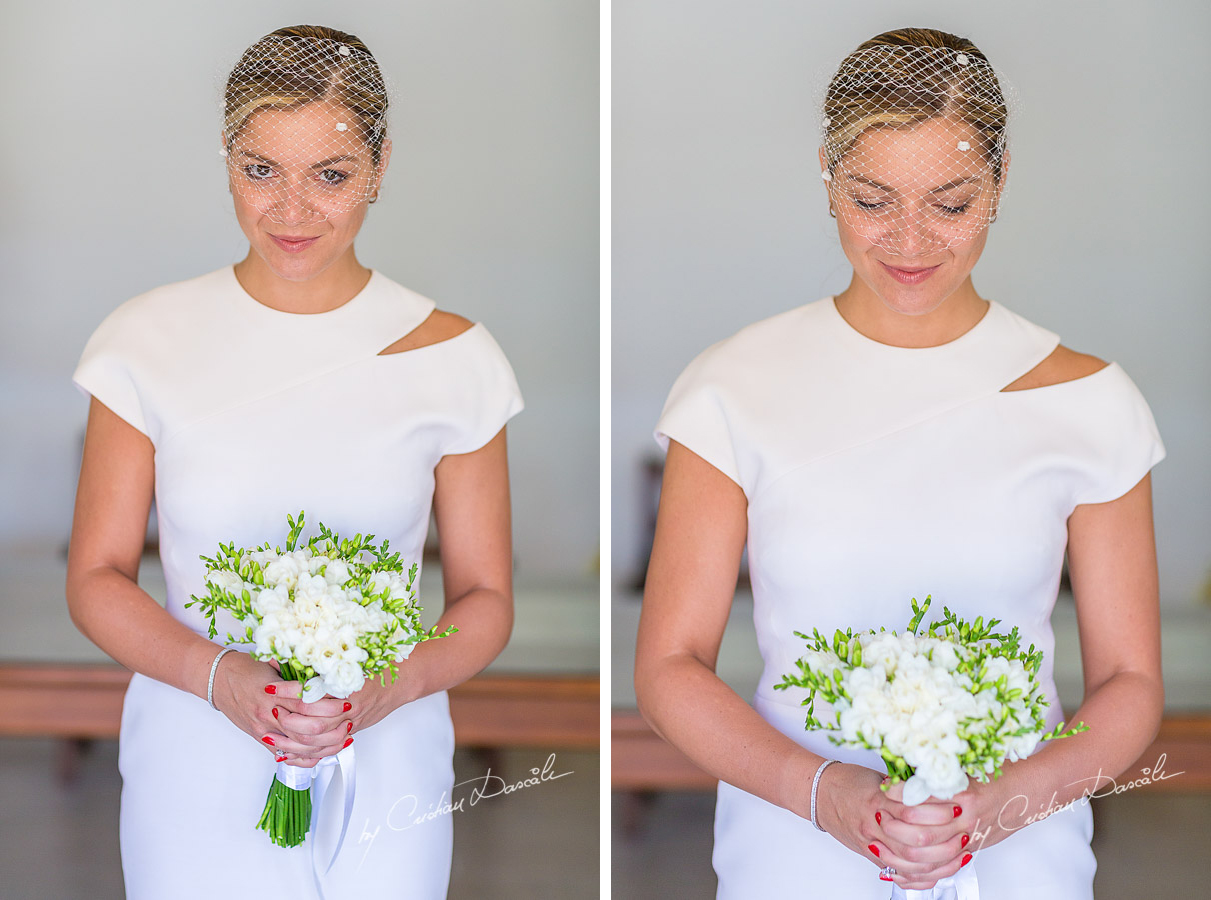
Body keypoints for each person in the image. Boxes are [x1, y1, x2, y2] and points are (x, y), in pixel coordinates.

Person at [635, 27, 1164, 899]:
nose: (909, 241)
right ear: (825, 176)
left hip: (1020, 839)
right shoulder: (733, 385)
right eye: (871, 199)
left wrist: (1008, 801)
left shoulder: (1091, 401)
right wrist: (823, 792)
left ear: (998, 183)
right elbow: (666, 668)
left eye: (949, 204)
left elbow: (1129, 681)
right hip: (795, 831)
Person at [65, 25, 522, 899]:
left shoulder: (457, 359)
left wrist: (386, 692)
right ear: (227, 160)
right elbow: (95, 575)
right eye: (260, 169)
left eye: (332, 175)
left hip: (386, 753)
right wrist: (222, 678)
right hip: (195, 739)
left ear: (382, 165)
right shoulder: (145, 342)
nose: (292, 210)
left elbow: (486, 599)